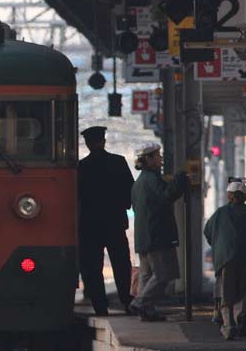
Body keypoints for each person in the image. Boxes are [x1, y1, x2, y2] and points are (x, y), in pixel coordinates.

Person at [76, 125, 135, 315]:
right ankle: (127, 302)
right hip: (115, 223)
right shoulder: (118, 162)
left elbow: (76, 197)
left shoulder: (81, 167)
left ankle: (100, 307)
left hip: (89, 226)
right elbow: (130, 191)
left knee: (93, 268)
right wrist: (122, 205)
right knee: (121, 265)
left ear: (87, 143)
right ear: (104, 141)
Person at [129, 143, 189, 321]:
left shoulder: (139, 182)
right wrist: (179, 181)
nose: (161, 159)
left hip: (143, 236)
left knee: (146, 275)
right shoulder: (152, 179)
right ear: (148, 159)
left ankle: (147, 311)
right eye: (157, 156)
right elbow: (166, 196)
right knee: (164, 274)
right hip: (157, 235)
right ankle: (140, 302)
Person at [203, 181, 246, 340]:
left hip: (226, 259)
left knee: (226, 291)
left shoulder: (220, 213)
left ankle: (228, 325)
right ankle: (243, 315)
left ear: (229, 196)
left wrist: (219, 246)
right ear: (245, 198)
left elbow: (208, 232)